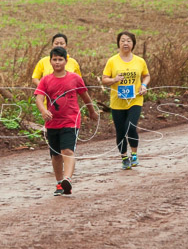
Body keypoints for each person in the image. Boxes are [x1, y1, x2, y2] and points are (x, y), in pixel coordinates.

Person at [35, 47, 98, 195]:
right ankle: (59, 184)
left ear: (66, 61)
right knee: (56, 154)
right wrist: (44, 111)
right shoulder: (45, 80)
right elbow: (39, 98)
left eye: (60, 59)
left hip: (71, 120)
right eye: (54, 59)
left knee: (67, 150)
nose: (57, 62)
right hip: (52, 123)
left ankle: (67, 179)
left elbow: (85, 96)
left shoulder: (75, 78)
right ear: (50, 61)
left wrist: (92, 111)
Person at [101, 31, 150, 170]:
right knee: (121, 131)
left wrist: (144, 85)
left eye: (128, 40)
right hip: (117, 101)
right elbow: (104, 79)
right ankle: (124, 157)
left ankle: (134, 154)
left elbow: (146, 75)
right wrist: (114, 80)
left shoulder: (140, 61)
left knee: (131, 126)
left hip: (135, 99)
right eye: (122, 40)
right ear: (118, 43)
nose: (125, 43)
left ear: (133, 44)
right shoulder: (112, 61)